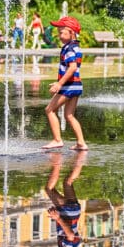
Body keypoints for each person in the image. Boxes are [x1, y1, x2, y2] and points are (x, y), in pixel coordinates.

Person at [41, 16, 88, 151]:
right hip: (76, 85)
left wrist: (59, 84)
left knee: (49, 110)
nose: (59, 35)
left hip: (69, 86)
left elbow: (72, 67)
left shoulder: (68, 49)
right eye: (59, 32)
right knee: (69, 115)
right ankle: (81, 143)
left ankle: (57, 140)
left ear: (71, 33)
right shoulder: (76, 47)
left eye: (62, 32)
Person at [45, 150, 86, 247]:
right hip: (67, 214)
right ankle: (57, 162)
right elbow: (70, 235)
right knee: (49, 189)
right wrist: (58, 218)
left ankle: (81, 157)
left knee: (68, 182)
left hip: (74, 213)